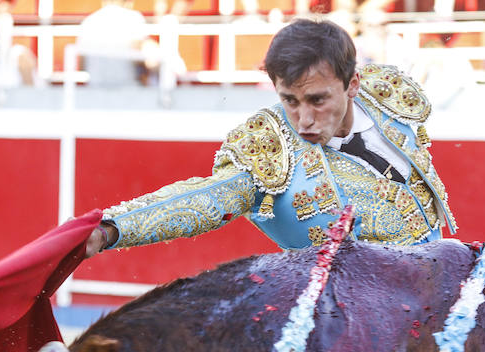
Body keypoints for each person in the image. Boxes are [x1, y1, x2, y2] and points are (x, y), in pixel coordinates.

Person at [87, 18, 455, 257]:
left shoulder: (386, 97)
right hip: (353, 315)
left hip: (440, 272)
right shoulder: (269, 146)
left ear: (353, 84)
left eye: (318, 100)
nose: (304, 119)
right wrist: (110, 230)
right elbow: (207, 198)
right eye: (290, 100)